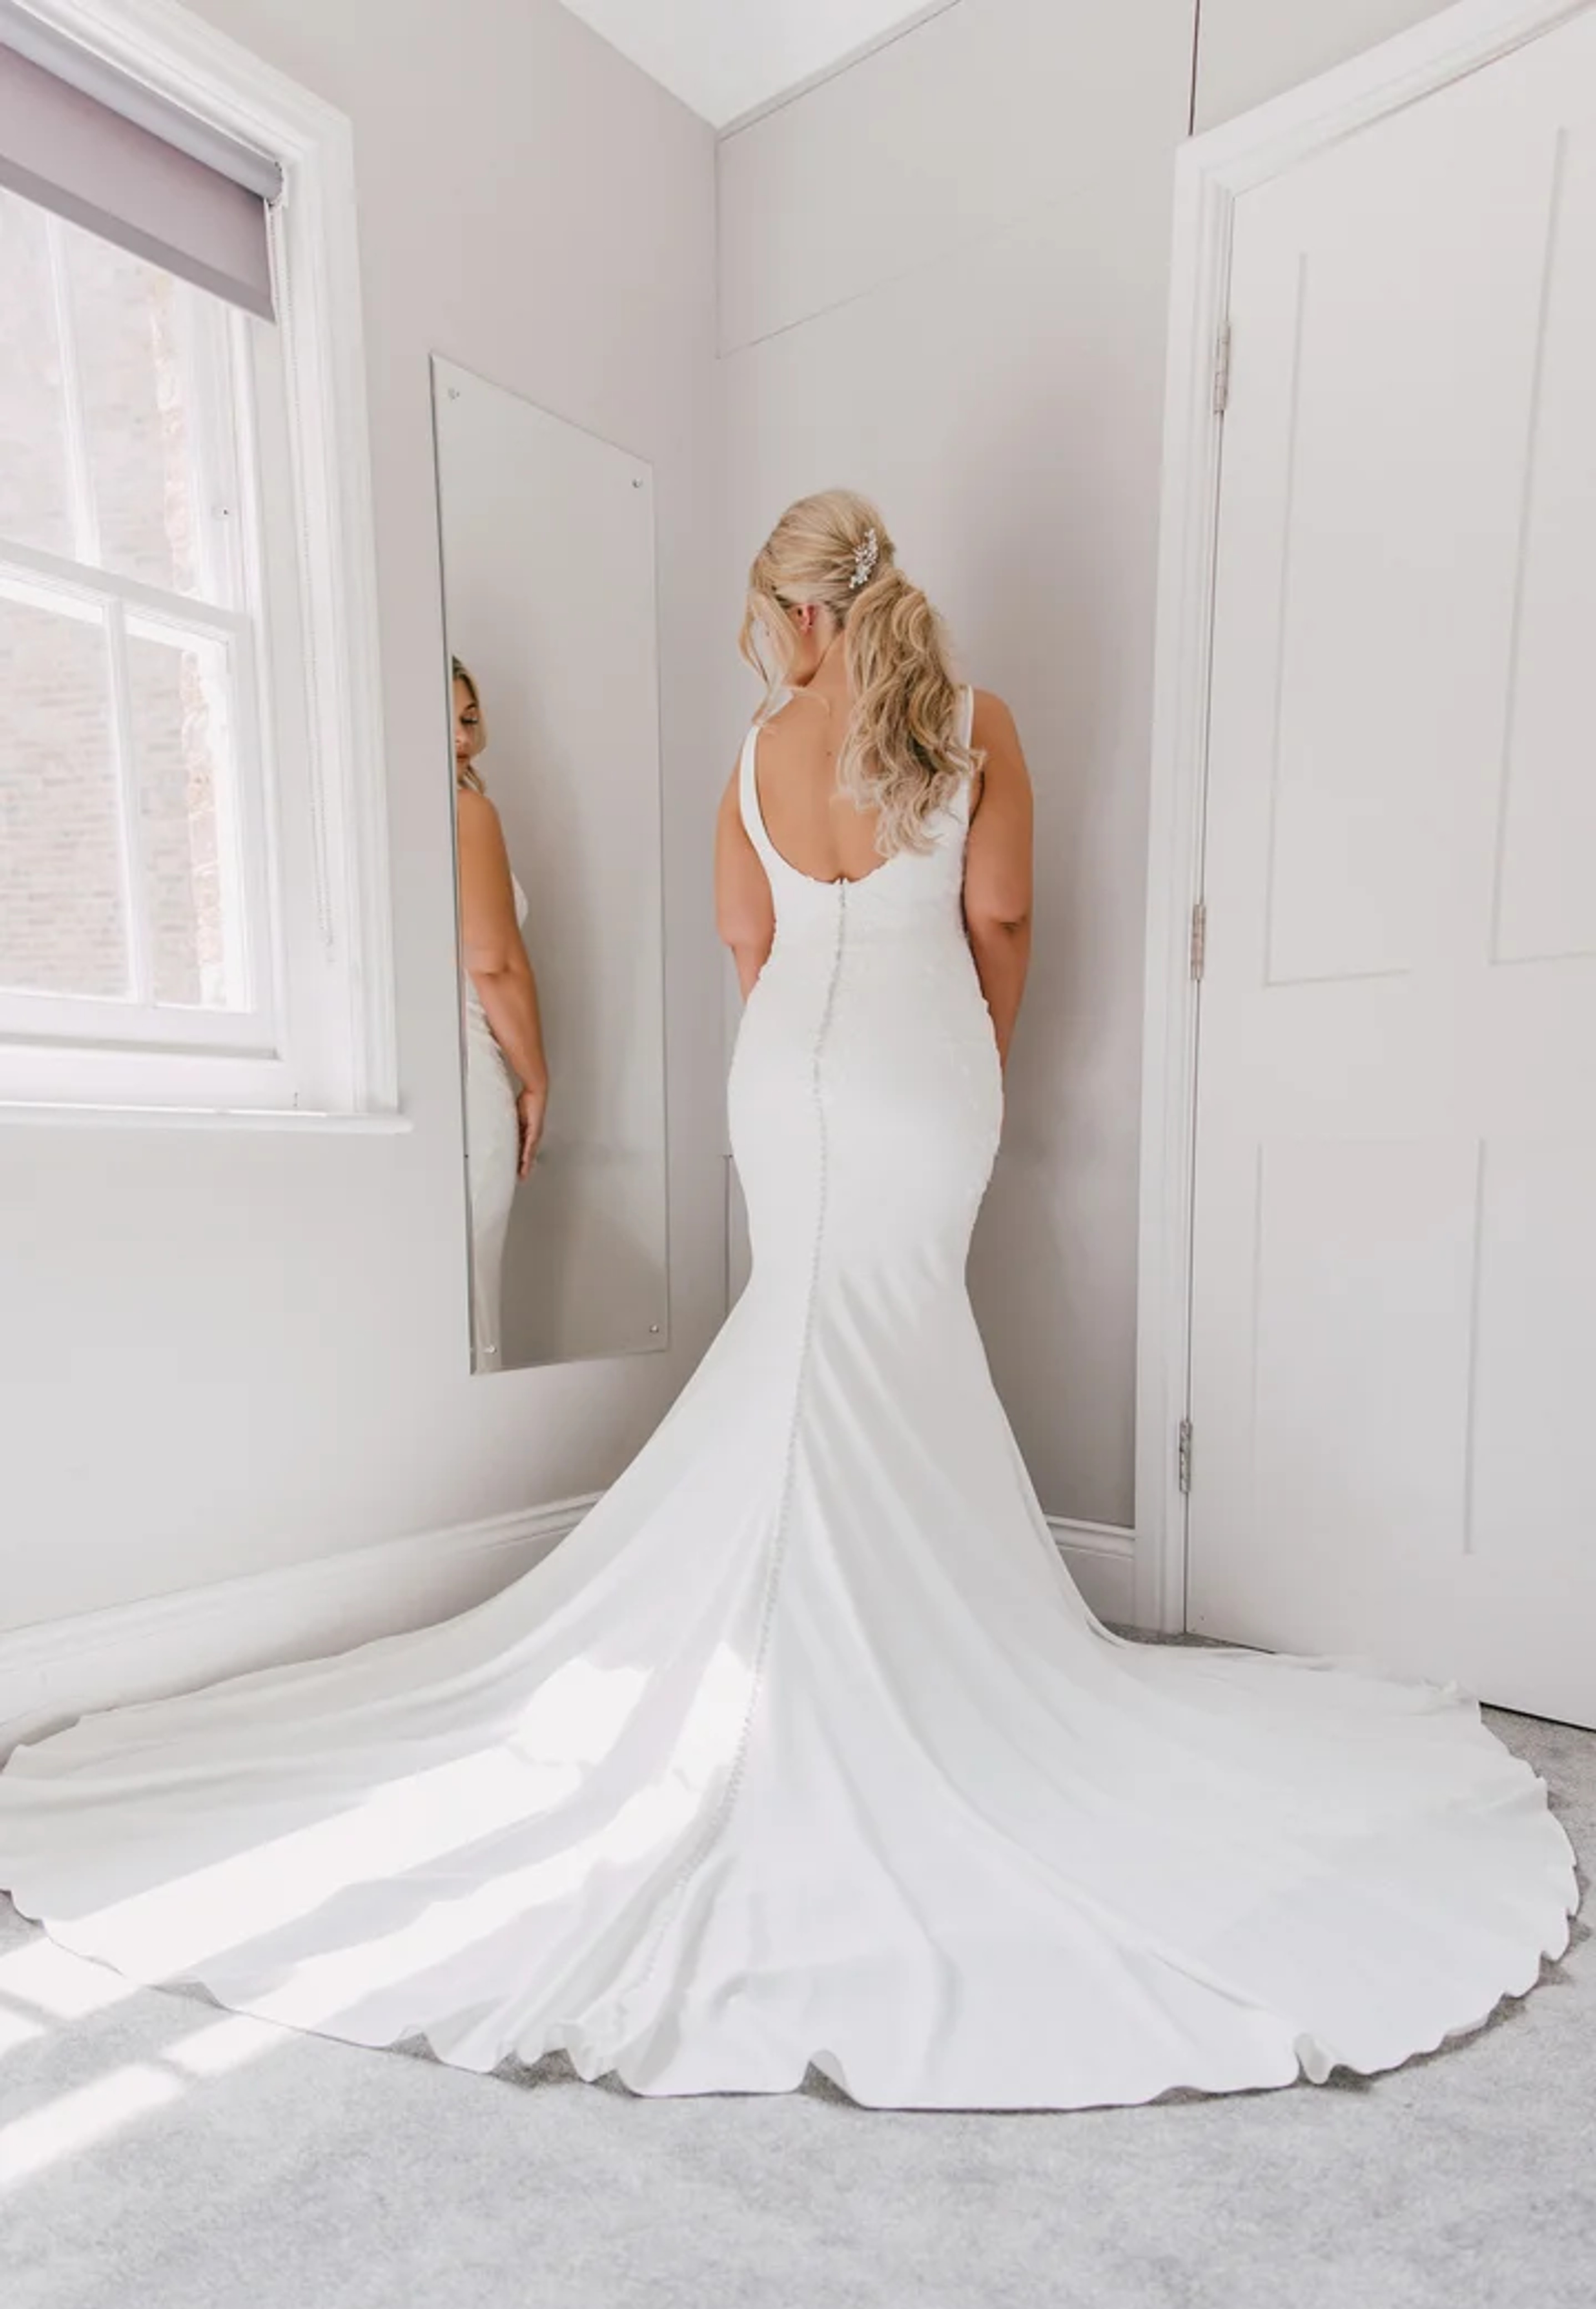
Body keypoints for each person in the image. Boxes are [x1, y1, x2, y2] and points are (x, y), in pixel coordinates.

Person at [0, 492, 1576, 2110]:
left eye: (771, 616)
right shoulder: (978, 725)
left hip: (788, 1087)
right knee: (881, 1343)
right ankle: (859, 1658)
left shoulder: (753, 758)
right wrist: (976, 1057)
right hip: (923, 1071)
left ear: (796, 613)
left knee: (809, 1337)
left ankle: (782, 1653)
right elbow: (1004, 920)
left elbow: (749, 952)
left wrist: (809, 1070)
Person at [452, 661, 549, 1370]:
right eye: (448, 720)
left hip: (421, 1093)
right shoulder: (465, 811)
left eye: (470, 718)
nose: (462, 739)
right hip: (469, 1078)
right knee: (470, 1300)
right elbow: (493, 959)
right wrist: (538, 1080)